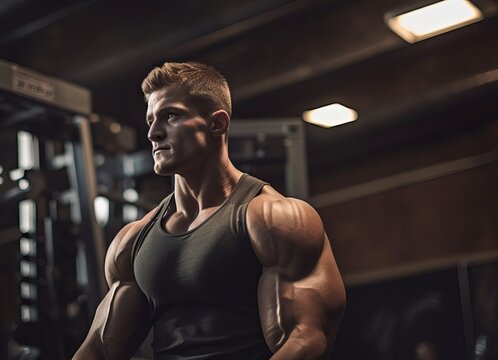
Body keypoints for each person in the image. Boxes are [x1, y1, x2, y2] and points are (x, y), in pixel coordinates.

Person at [74, 62, 346, 359]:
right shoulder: (133, 241)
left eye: (171, 116)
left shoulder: (273, 218)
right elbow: (100, 349)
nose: (153, 133)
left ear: (217, 124)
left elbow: (304, 338)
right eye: (151, 119)